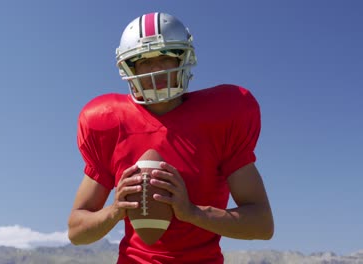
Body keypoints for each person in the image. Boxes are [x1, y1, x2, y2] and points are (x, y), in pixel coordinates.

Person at [68, 12, 274, 263]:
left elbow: (262, 225)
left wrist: (193, 213)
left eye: (165, 58)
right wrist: (114, 211)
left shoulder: (222, 117)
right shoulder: (108, 122)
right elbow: (77, 232)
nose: (155, 69)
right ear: (128, 67)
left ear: (183, 60)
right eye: (144, 61)